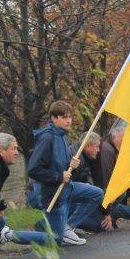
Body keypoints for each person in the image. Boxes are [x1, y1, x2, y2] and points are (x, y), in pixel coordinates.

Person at [26, 101, 101, 245]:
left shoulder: (62, 136)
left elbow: (60, 166)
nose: (68, 120)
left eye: (70, 117)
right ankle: (11, 235)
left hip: (66, 189)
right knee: (55, 239)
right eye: (64, 117)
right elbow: (34, 169)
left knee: (96, 194)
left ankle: (68, 227)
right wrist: (59, 177)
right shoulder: (47, 138)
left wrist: (71, 164)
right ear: (53, 118)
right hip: (52, 195)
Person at [73, 130, 130, 232]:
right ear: (87, 146)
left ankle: (110, 213)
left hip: (88, 198)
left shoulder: (89, 155)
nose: (98, 150)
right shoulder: (106, 151)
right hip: (73, 200)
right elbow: (104, 185)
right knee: (100, 225)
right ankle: (69, 224)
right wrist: (107, 213)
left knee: (118, 193)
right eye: (96, 147)